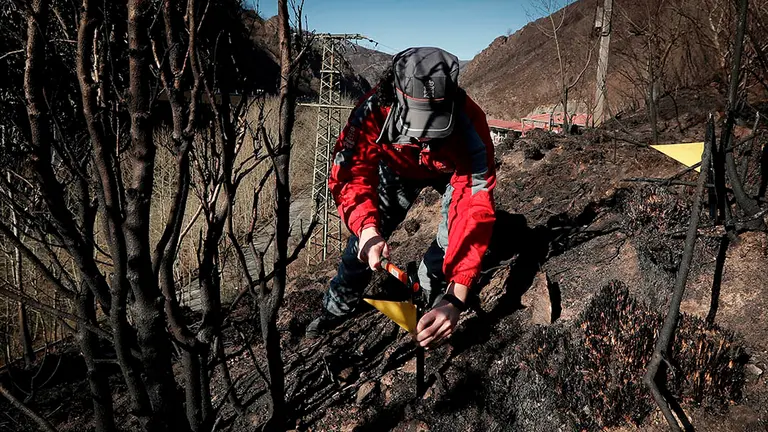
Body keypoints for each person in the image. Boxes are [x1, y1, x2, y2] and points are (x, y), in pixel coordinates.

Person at [306, 47, 496, 349]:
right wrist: (368, 228)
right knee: (363, 244)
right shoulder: (371, 111)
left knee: (451, 239)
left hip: (449, 172)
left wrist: (456, 297)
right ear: (393, 99)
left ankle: (430, 290)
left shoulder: (470, 123)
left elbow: (474, 205)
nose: (425, 139)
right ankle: (336, 308)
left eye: (435, 128)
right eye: (417, 127)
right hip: (395, 168)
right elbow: (351, 173)